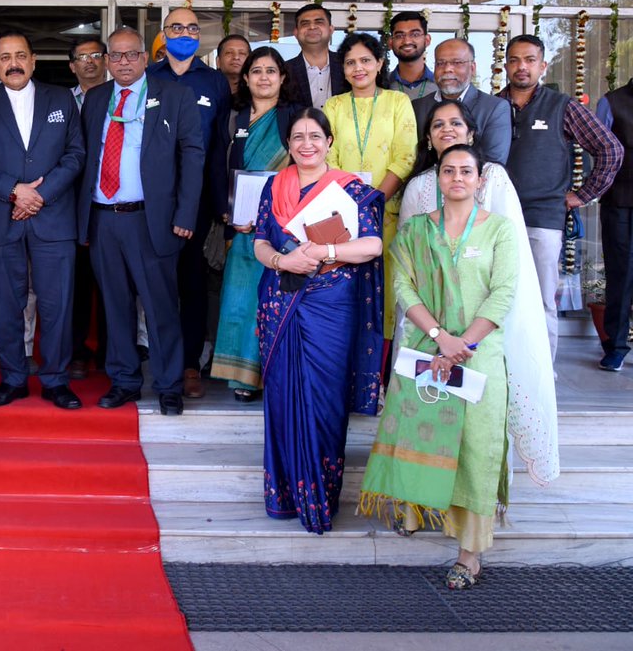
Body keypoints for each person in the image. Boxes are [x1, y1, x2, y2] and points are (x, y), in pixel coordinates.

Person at [361, 145, 520, 589]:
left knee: (473, 451)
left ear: (479, 180)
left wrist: (462, 343)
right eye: (448, 171)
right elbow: (403, 287)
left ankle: (469, 555)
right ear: (437, 180)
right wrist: (440, 339)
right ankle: (416, 511)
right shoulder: (414, 231)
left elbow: (504, 294)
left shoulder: (500, 232)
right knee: (421, 434)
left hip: (478, 355)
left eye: (465, 171)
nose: (457, 178)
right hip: (427, 350)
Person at [399, 100, 559, 485]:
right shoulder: (418, 186)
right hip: (429, 327)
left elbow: (510, 262)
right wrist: (437, 333)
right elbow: (407, 272)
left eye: (456, 123)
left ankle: (476, 505)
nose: (447, 129)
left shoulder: (494, 179)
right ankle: (421, 502)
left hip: (484, 325)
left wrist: (467, 336)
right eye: (438, 124)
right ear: (428, 135)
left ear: (471, 132)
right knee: (423, 417)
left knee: (480, 426)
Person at [252, 108, 384, 534]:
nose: (306, 144)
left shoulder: (353, 190)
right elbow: (258, 241)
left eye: (315, 136)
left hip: (331, 305)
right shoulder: (274, 187)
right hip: (281, 298)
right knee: (282, 394)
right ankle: (287, 495)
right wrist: (281, 259)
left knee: (325, 400)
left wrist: (323, 253)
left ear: (329, 142)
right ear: (288, 146)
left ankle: (321, 498)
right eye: (297, 137)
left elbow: (372, 245)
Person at [77, 26, 203, 415]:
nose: (123, 62)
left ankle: (168, 384)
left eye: (131, 55)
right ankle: (125, 380)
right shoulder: (95, 99)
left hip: (152, 219)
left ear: (146, 59)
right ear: (106, 62)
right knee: (114, 306)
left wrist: (185, 214)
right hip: (102, 219)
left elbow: (193, 156)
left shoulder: (175, 97)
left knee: (160, 304)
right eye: (115, 56)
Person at [0, 31, 85, 409]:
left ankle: (56, 379)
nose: (13, 63)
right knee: (6, 303)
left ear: (33, 60)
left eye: (20, 56)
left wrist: (39, 196)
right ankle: (13, 378)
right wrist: (16, 191)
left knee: (57, 303)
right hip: (3, 218)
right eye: (5, 57)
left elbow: (76, 154)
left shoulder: (61, 98)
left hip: (54, 218)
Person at [498, 34, 623, 361]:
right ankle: (505, 369)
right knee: (498, 297)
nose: (521, 67)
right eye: (514, 60)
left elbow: (610, 149)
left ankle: (543, 372)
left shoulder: (561, 106)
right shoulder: (494, 105)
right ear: (506, 65)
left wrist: (582, 195)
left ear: (542, 65)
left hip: (544, 218)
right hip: (497, 217)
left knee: (541, 300)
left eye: (529, 60)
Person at [148, 6, 230, 396]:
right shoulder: (149, 77)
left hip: (196, 201)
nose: (185, 33)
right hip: (152, 200)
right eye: (176, 27)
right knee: (157, 283)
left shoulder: (214, 82)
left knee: (194, 283)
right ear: (163, 35)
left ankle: (189, 365)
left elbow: (219, 149)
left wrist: (219, 204)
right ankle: (161, 360)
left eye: (192, 28)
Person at [209, 47, 296, 400]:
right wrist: (225, 211)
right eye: (256, 71)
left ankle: (278, 375)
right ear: (245, 78)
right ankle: (244, 379)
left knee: (279, 303)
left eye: (271, 71)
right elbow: (216, 166)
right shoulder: (232, 118)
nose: (264, 77)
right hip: (242, 228)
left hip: (283, 228)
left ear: (282, 78)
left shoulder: (294, 118)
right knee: (242, 303)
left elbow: (304, 167)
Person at [324, 32, 417, 342]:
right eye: (350, 63)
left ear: (379, 63)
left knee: (388, 289)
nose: (358, 68)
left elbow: (405, 156)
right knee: (345, 286)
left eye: (365, 60)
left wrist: (373, 201)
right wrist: (354, 203)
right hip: (343, 213)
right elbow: (329, 157)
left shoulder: (397, 101)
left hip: (386, 213)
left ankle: (383, 373)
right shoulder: (333, 106)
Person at [67, 36, 108, 378]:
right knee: (77, 283)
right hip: (70, 205)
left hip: (111, 203)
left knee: (113, 283)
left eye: (97, 55)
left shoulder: (121, 97)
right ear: (72, 66)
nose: (90, 61)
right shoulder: (61, 101)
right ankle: (77, 350)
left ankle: (112, 351)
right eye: (83, 57)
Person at [412, 38, 511, 166]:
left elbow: (493, 165)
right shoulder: (418, 107)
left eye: (457, 62)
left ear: (473, 68)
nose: (447, 69)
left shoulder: (494, 108)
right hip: (425, 183)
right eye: (440, 63)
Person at [597, 83, 633, 371]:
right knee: (621, 274)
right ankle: (616, 346)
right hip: (620, 201)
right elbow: (598, 150)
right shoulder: (612, 102)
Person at [284, 3, 348, 109]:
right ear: (296, 33)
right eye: (305, 24)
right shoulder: (284, 71)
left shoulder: (348, 65)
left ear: (331, 29)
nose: (312, 27)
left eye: (319, 22)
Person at [386, 10, 434, 100]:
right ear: (390, 43)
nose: (407, 41)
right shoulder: (381, 85)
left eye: (415, 34)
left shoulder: (442, 85)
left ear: (427, 40)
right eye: (399, 36)